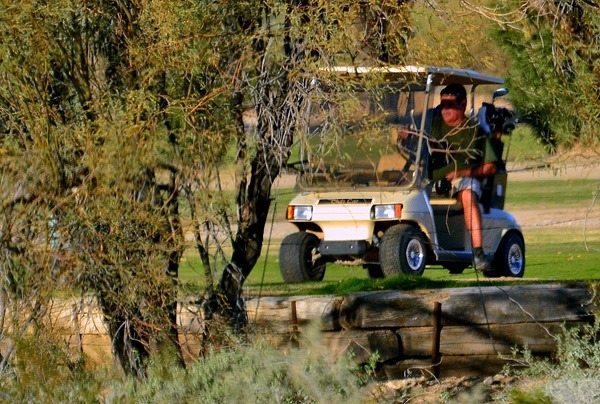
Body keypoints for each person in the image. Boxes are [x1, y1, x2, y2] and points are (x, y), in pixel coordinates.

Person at [428, 84, 500, 272]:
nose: (445, 109)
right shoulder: (432, 125)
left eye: (450, 104)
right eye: (442, 103)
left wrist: (461, 173)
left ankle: (478, 253)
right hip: (430, 178)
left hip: (462, 178)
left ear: (463, 104)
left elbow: (491, 167)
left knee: (467, 194)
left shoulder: (475, 131)